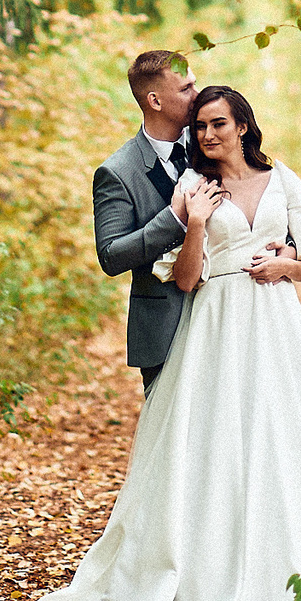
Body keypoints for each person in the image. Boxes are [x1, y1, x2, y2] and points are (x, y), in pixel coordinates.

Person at [31, 86, 301, 601]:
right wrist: (197, 223)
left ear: (243, 127)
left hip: (276, 317)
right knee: (214, 439)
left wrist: (284, 267)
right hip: (214, 320)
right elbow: (184, 278)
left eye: (218, 124)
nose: (208, 134)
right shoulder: (192, 186)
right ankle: (209, 569)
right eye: (201, 125)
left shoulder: (283, 179)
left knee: (292, 432)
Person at [91, 49, 198, 392]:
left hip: (230, 313)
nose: (197, 96)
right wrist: (173, 219)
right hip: (163, 327)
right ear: (155, 100)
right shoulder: (117, 172)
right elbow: (111, 255)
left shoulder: (214, 141)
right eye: (185, 89)